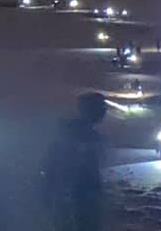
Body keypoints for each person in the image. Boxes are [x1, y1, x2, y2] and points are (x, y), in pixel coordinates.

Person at [41, 93, 107, 230]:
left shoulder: (82, 132)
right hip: (76, 194)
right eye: (101, 106)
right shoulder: (80, 134)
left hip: (78, 193)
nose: (105, 110)